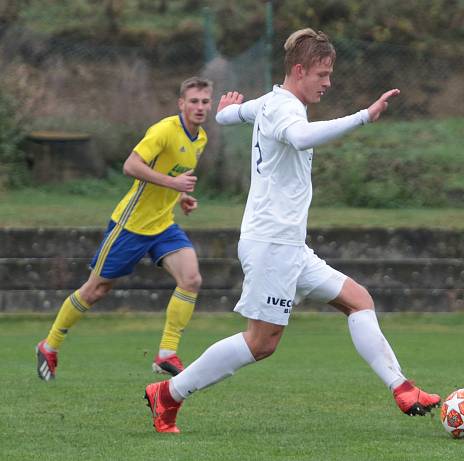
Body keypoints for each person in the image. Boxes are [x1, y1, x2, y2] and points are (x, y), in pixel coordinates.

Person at [143, 28, 440, 433]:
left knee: (359, 300)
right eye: (322, 74)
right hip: (272, 244)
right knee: (260, 343)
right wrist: (363, 117)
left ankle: (402, 387)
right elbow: (299, 138)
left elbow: (232, 115)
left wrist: (227, 109)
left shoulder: (269, 100)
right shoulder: (286, 110)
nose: (328, 82)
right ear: (299, 71)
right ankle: (169, 394)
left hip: (288, 245)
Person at [36, 77, 213, 381]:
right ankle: (50, 344)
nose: (199, 107)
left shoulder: (200, 139)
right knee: (95, 290)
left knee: (191, 278)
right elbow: (131, 166)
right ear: (181, 103)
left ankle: (166, 354)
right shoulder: (163, 131)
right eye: (193, 101)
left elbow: (173, 173)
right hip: (130, 225)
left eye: (205, 101)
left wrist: (181, 196)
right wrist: (173, 184)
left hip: (163, 225)